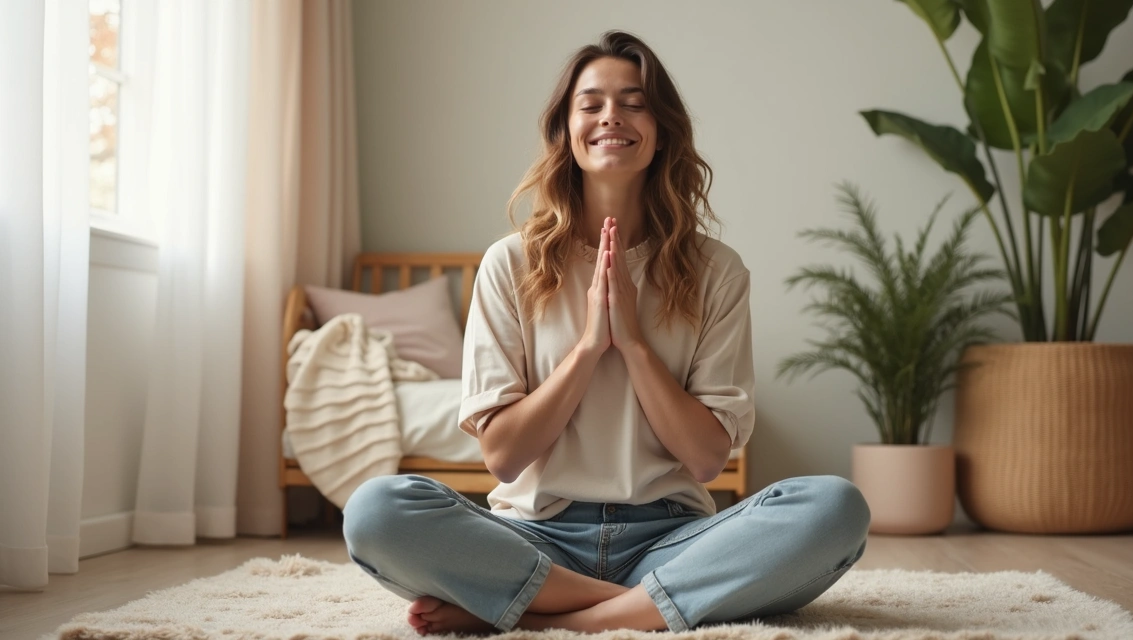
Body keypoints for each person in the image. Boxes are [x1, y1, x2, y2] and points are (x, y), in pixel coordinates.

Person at [342, 30, 870, 635]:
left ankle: (547, 616)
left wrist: (636, 346)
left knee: (834, 508)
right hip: (536, 536)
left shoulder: (718, 272)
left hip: (673, 536)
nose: (611, 117)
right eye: (591, 104)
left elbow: (705, 460)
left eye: (635, 101)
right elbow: (504, 456)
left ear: (662, 127)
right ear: (566, 130)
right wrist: (590, 347)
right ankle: (647, 607)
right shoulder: (510, 264)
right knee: (377, 511)